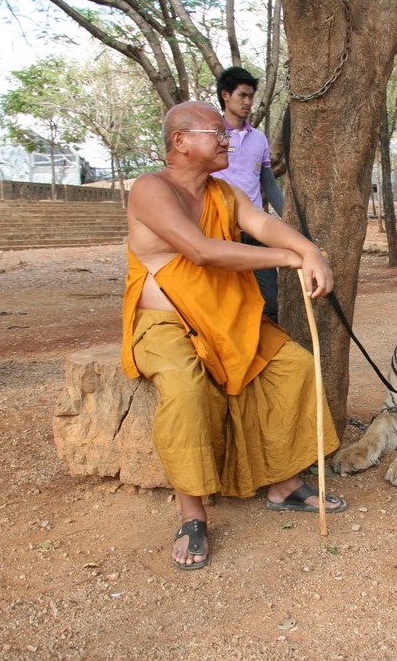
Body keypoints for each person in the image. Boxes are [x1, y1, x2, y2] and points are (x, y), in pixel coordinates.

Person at [123, 101, 346, 571]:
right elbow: (200, 251)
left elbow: (262, 224)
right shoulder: (150, 188)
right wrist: (289, 259)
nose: (228, 140)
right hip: (164, 325)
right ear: (181, 141)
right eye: (217, 133)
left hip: (223, 318)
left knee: (295, 366)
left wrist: (309, 250)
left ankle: (284, 483)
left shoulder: (223, 192)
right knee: (185, 390)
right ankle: (192, 514)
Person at [212, 66, 284, 323]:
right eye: (242, 95)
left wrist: (289, 221)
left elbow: (269, 185)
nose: (248, 102)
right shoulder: (213, 135)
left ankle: (267, 345)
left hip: (255, 230)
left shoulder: (259, 139)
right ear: (225, 95)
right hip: (220, 230)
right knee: (225, 304)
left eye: (251, 96)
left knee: (270, 302)